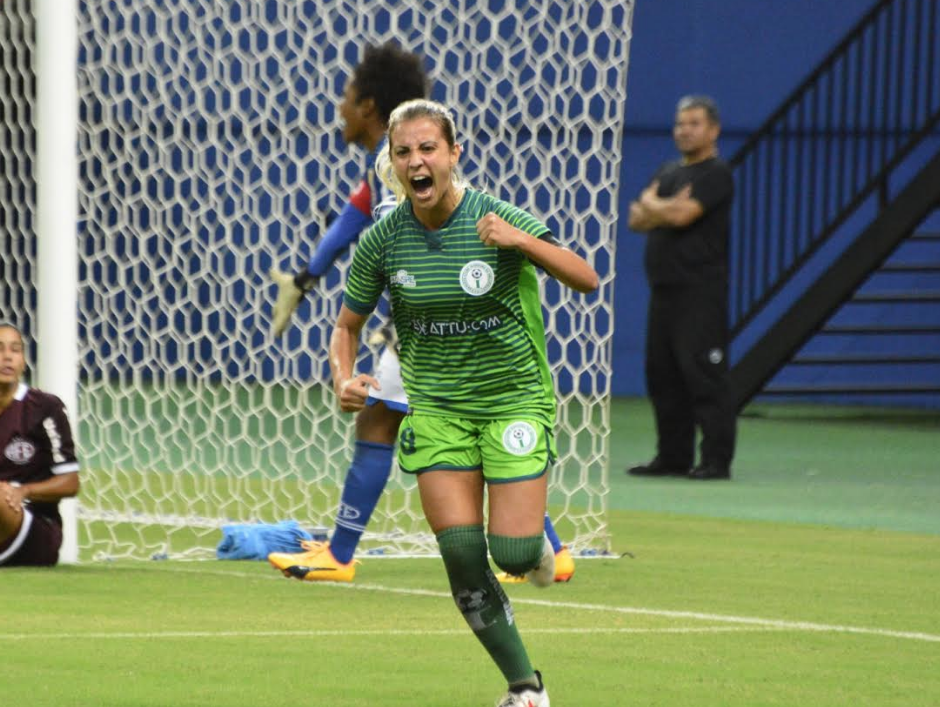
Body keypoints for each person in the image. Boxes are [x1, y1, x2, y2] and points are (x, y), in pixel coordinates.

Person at [267, 43, 575, 584]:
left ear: (366, 105)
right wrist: (308, 278)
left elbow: (369, 235)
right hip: (416, 330)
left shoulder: (395, 164)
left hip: (427, 335)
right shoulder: (391, 161)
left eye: (345, 96)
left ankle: (341, 555)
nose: (339, 106)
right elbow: (350, 224)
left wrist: (313, 280)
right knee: (396, 421)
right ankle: (548, 546)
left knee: (393, 421)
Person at [330, 98, 598, 706]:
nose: (416, 161)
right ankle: (525, 689)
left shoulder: (494, 217)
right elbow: (346, 326)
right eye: (403, 152)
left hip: (513, 403)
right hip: (440, 412)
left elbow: (585, 277)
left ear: (454, 154)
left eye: (428, 148)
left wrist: (520, 240)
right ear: (393, 165)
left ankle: (533, 552)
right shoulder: (383, 243)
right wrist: (344, 377)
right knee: (459, 553)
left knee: (513, 552)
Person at [626, 95, 736, 481]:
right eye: (680, 123)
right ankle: (672, 456)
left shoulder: (716, 174)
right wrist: (661, 208)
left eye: (693, 123)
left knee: (703, 374)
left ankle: (716, 460)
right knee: (663, 375)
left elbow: (684, 213)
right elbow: (636, 217)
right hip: (664, 291)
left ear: (713, 130)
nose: (684, 130)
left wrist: (658, 206)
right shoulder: (670, 171)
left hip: (700, 293)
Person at [0, 322, 80, 567]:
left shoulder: (44, 408)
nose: (7, 357)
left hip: (36, 527)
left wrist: (22, 491)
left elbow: (70, 482)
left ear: (24, 361)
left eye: (15, 350)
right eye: (0, 349)